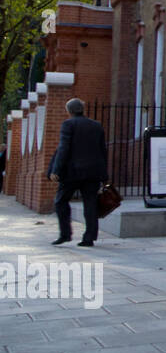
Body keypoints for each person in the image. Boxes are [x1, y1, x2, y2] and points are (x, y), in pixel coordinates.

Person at [46, 98, 108, 247]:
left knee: (60, 201)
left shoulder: (68, 124)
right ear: (83, 109)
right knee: (90, 204)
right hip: (93, 172)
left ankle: (65, 234)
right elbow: (102, 151)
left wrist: (56, 170)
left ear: (69, 111)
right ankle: (89, 237)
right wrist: (104, 174)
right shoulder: (96, 125)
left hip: (72, 172)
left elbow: (63, 148)